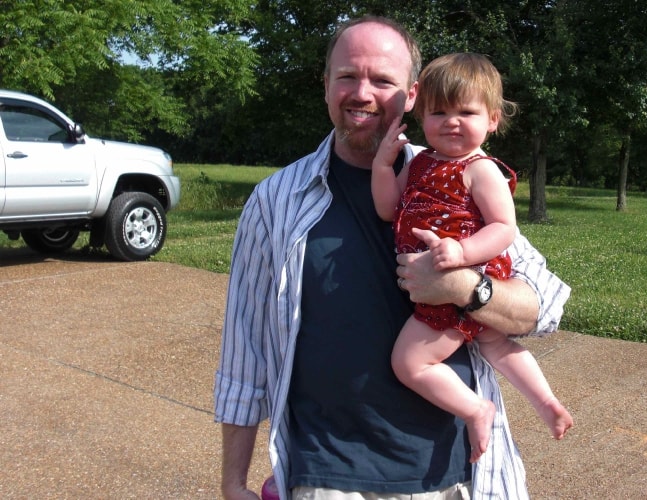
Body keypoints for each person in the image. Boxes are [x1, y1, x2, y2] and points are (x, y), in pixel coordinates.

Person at [214, 15, 571, 500]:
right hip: (327, 476)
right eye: (347, 76)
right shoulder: (274, 202)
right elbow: (245, 346)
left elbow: (542, 306)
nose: (363, 93)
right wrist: (233, 481)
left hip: (458, 473)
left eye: (382, 80)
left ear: (410, 94)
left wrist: (465, 286)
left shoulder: (458, 176)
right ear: (325, 86)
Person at [371, 53, 573, 464]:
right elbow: (387, 208)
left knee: (409, 363)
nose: (451, 121)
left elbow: (504, 227)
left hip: (460, 281)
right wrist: (381, 165)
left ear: (493, 120)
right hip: (444, 282)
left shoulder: (481, 170)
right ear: (422, 115)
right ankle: (544, 400)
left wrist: (461, 252)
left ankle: (475, 409)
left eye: (466, 111)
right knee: (494, 342)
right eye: (439, 111)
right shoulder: (421, 163)